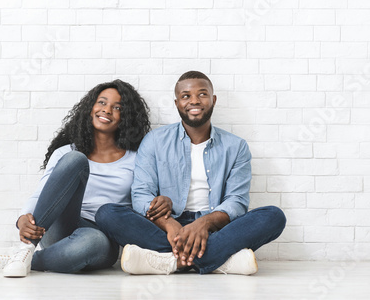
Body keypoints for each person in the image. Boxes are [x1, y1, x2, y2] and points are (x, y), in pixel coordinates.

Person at [95, 71, 286, 275]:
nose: (194, 100)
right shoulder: (154, 140)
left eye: (202, 94)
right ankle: (219, 259)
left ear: (213, 100)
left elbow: (236, 202)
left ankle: (170, 261)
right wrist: (170, 225)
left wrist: (204, 223)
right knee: (107, 213)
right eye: (186, 96)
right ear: (177, 103)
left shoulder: (236, 146)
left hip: (215, 228)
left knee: (274, 216)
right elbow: (141, 194)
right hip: (165, 226)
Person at [0, 80, 150, 277]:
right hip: (60, 226)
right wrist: (23, 218)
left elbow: (142, 199)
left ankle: (19, 258)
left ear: (126, 117)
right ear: (90, 108)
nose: (107, 110)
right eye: (102, 103)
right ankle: (27, 249)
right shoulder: (65, 152)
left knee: (93, 241)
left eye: (117, 107)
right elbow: (43, 192)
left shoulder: (136, 158)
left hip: (102, 238)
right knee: (75, 159)